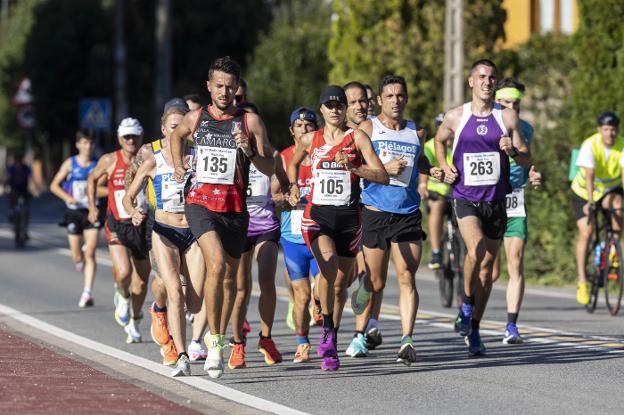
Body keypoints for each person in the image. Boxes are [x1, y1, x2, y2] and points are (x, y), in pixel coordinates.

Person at [170, 56, 274, 379]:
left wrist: (251, 152)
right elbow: (176, 137)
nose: (225, 92)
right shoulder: (196, 117)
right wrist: (177, 164)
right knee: (215, 265)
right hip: (200, 204)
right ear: (209, 86)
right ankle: (215, 342)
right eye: (219, 86)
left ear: (237, 89)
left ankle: (217, 334)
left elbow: (270, 167)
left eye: (230, 87)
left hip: (234, 210)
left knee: (229, 279)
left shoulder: (250, 122)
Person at [287, 85, 389, 371]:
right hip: (317, 216)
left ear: (345, 109)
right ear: (321, 109)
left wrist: (354, 168)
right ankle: (328, 335)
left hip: (349, 218)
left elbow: (382, 175)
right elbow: (292, 164)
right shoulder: (310, 139)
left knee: (340, 284)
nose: (334, 110)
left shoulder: (357, 138)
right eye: (329, 105)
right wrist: (294, 186)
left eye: (339, 105)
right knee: (328, 268)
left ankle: (326, 313)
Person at [434, 59, 531, 356]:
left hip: (496, 201)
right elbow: (439, 141)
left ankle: (474, 328)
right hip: (465, 197)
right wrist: (444, 165)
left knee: (487, 272)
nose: (487, 82)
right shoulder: (456, 116)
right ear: (471, 81)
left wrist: (513, 151)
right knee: (475, 250)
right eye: (482, 76)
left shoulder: (508, 118)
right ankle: (465, 303)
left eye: (492, 77)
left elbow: (527, 159)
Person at [346, 75, 443, 365]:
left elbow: (419, 161)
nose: (395, 101)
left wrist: (432, 170)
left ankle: (406, 340)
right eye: (389, 96)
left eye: (400, 95)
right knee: (374, 281)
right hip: (376, 212)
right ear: (379, 100)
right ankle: (360, 333)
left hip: (408, 214)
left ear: (407, 98)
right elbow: (353, 163)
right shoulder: (367, 128)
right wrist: (383, 168)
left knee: (406, 276)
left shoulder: (417, 131)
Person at [123, 105, 205, 377]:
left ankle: (181, 333)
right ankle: (181, 355)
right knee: (175, 292)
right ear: (163, 130)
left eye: (184, 128)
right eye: (174, 128)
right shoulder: (153, 159)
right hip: (164, 231)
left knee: (195, 303)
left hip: (194, 233)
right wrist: (134, 212)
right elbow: (128, 195)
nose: (179, 132)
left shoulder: (198, 156)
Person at [87, 118, 151, 343]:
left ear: (141, 136)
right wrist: (93, 206)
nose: (131, 140)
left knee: (142, 282)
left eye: (134, 136)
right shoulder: (109, 160)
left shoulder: (148, 158)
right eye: (126, 137)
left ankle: (135, 319)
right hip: (117, 224)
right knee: (123, 272)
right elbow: (92, 179)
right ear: (119, 138)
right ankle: (122, 295)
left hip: (142, 227)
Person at [490, 78, 542, 344]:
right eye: (506, 102)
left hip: (515, 199)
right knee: (491, 270)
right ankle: (468, 309)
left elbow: (527, 159)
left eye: (516, 103)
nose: (512, 107)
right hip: (488, 199)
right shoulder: (483, 126)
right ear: (497, 101)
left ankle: (511, 325)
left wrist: (532, 173)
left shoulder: (526, 129)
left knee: (516, 261)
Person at [273, 106, 319, 363]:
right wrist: (287, 199)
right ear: (292, 131)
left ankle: (323, 322)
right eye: (299, 126)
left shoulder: (325, 154)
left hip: (320, 236)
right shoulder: (284, 157)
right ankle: (302, 341)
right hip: (293, 239)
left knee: (323, 291)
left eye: (309, 125)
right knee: (301, 296)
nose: (304, 129)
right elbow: (272, 196)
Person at [342, 81, 383, 350]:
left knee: (371, 275)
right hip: (339, 213)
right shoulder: (338, 135)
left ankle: (365, 327)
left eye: (366, 101)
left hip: (368, 211)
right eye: (356, 102)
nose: (362, 106)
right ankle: (317, 294)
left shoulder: (379, 133)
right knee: (345, 278)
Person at [570, 111, 624, 305]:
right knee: (587, 232)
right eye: (606, 129)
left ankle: (613, 250)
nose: (610, 133)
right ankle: (582, 281)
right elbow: (590, 175)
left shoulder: (621, 145)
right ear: (599, 130)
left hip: (609, 191)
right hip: (584, 193)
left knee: (619, 205)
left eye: (613, 130)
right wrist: (591, 202)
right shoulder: (590, 145)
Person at [50, 131, 104, 307]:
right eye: (84, 143)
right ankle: (78, 260)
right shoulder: (70, 164)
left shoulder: (98, 165)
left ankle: (87, 292)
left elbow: (103, 187)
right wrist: (67, 198)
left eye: (90, 143)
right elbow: (54, 185)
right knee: (77, 255)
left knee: (91, 251)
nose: (88, 146)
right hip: (73, 212)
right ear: (78, 144)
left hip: (91, 212)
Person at [420, 113, 453, 270]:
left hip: (457, 192)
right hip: (437, 192)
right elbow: (423, 166)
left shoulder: (460, 143)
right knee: (437, 207)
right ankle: (436, 251)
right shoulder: (429, 146)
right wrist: (422, 186)